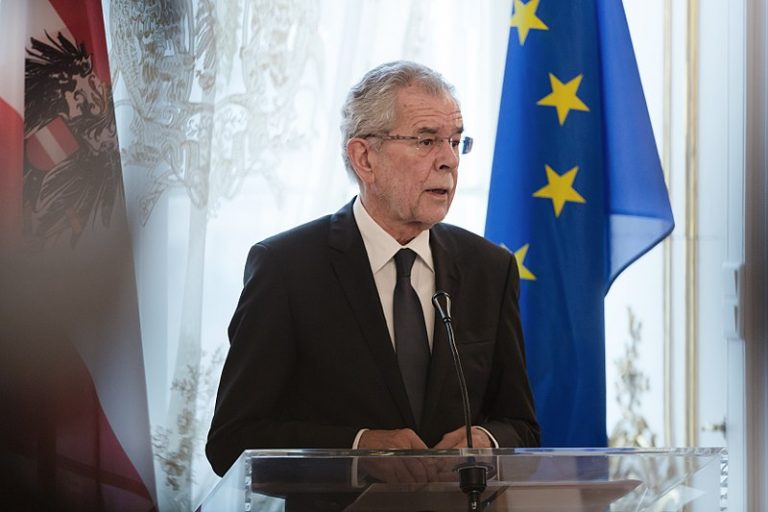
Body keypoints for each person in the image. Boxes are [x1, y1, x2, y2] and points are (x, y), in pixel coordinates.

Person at [206, 61, 539, 477]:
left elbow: (522, 426)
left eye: (456, 142)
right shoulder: (286, 269)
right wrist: (358, 449)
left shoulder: (489, 268)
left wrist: (488, 440)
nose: (449, 160)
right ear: (364, 158)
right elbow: (231, 441)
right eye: (426, 141)